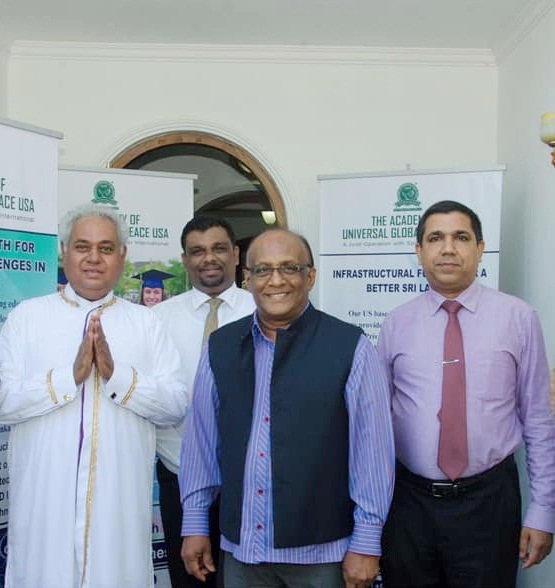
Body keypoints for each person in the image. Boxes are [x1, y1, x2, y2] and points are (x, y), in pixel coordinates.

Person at [180, 228, 395, 588]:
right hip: (242, 552)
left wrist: (367, 540)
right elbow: (201, 444)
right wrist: (195, 522)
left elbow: (372, 452)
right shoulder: (220, 346)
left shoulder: (349, 346)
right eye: (263, 270)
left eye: (289, 268)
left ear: (310, 277)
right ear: (247, 279)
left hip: (322, 555)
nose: (276, 280)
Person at [0, 204, 188, 588]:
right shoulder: (27, 318)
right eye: (82, 246)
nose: (93, 258)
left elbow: (175, 405)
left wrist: (118, 377)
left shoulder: (146, 323)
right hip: (43, 510)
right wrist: (68, 379)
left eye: (106, 248)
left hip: (117, 513)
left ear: (122, 257)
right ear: (64, 252)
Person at [377, 200, 555, 588]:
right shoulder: (396, 324)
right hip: (409, 505)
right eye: (435, 238)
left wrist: (544, 510)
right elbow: (374, 425)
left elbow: (539, 420)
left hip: (488, 503)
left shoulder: (518, 318)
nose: (448, 248)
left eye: (461, 237)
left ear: (480, 248)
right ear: (419, 251)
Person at [153, 215, 255, 587]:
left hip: (250, 481)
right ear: (185, 260)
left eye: (218, 248)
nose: (208, 258)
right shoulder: (157, 320)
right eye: (197, 251)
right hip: (179, 477)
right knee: (190, 580)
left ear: (236, 254)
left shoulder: (263, 311)